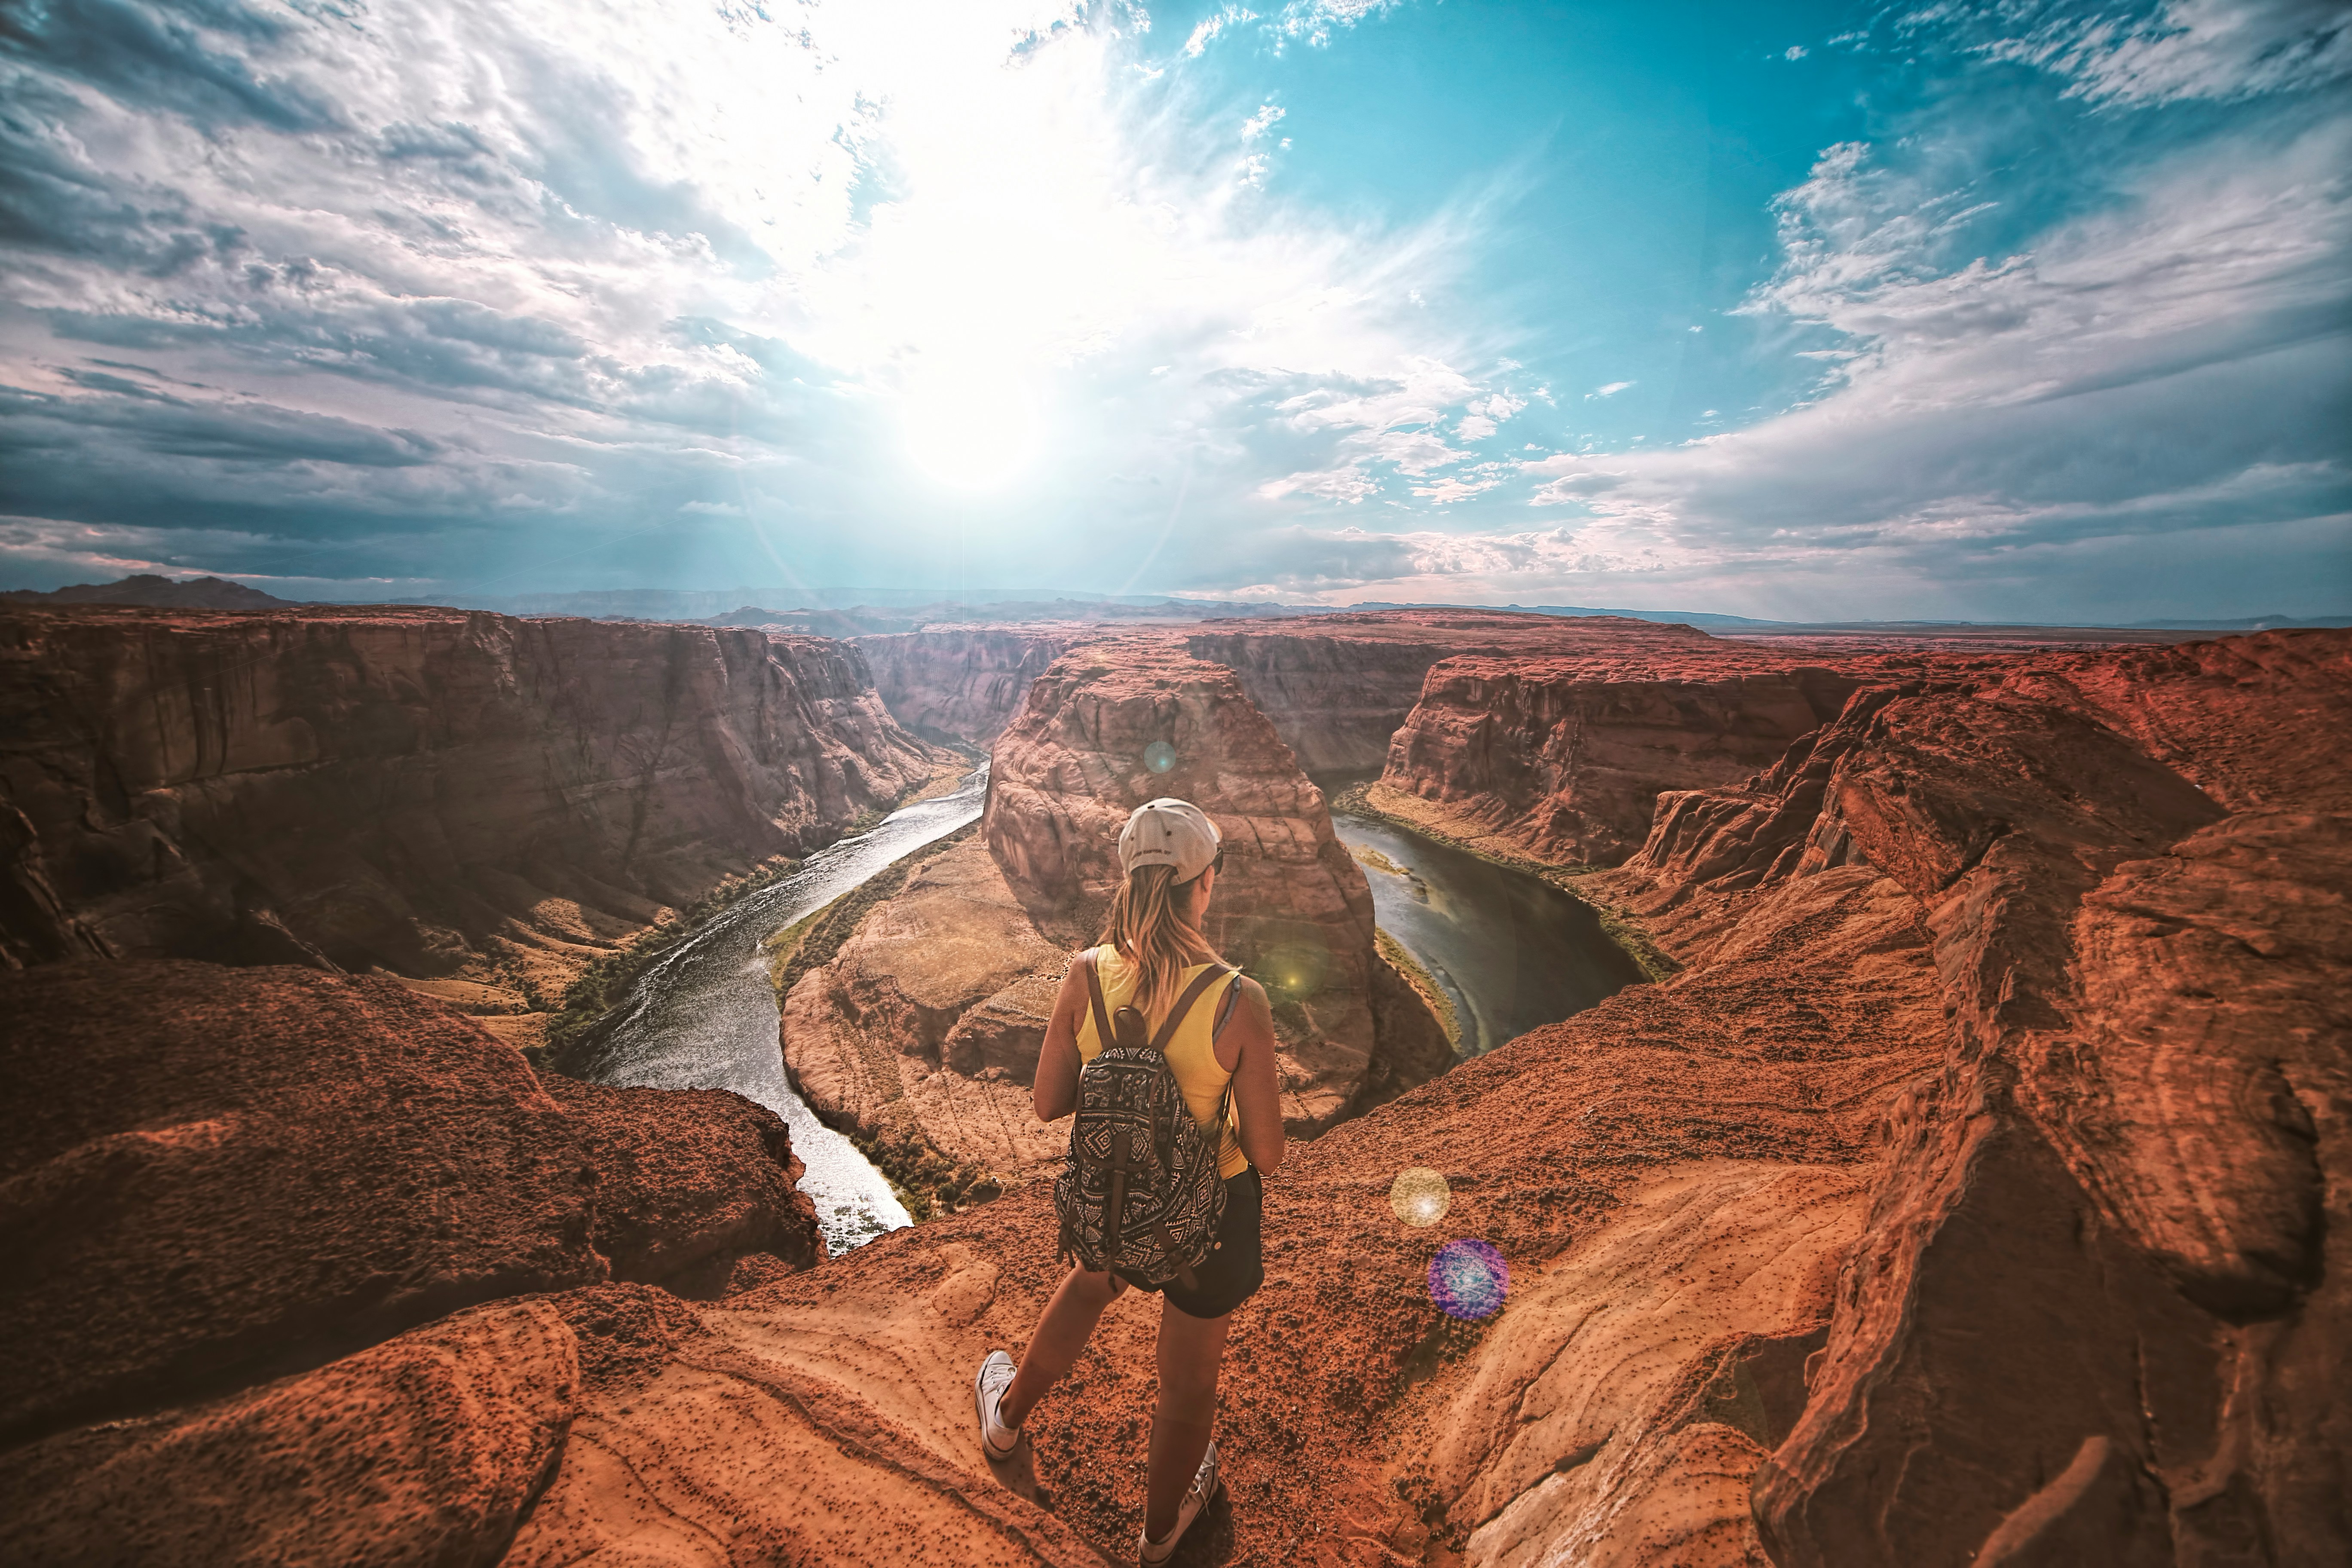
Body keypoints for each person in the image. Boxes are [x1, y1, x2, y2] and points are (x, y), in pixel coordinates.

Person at [972, 797, 1286, 1565]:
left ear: (1128, 881)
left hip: (1115, 1196)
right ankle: (1158, 1537)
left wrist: (1126, 1093)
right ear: (1203, 884)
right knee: (1186, 1387)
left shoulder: (1084, 974)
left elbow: (1050, 1104)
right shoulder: (1239, 1001)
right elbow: (1270, 1154)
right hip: (1207, 1220)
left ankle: (1006, 1420)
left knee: (1090, 1282)